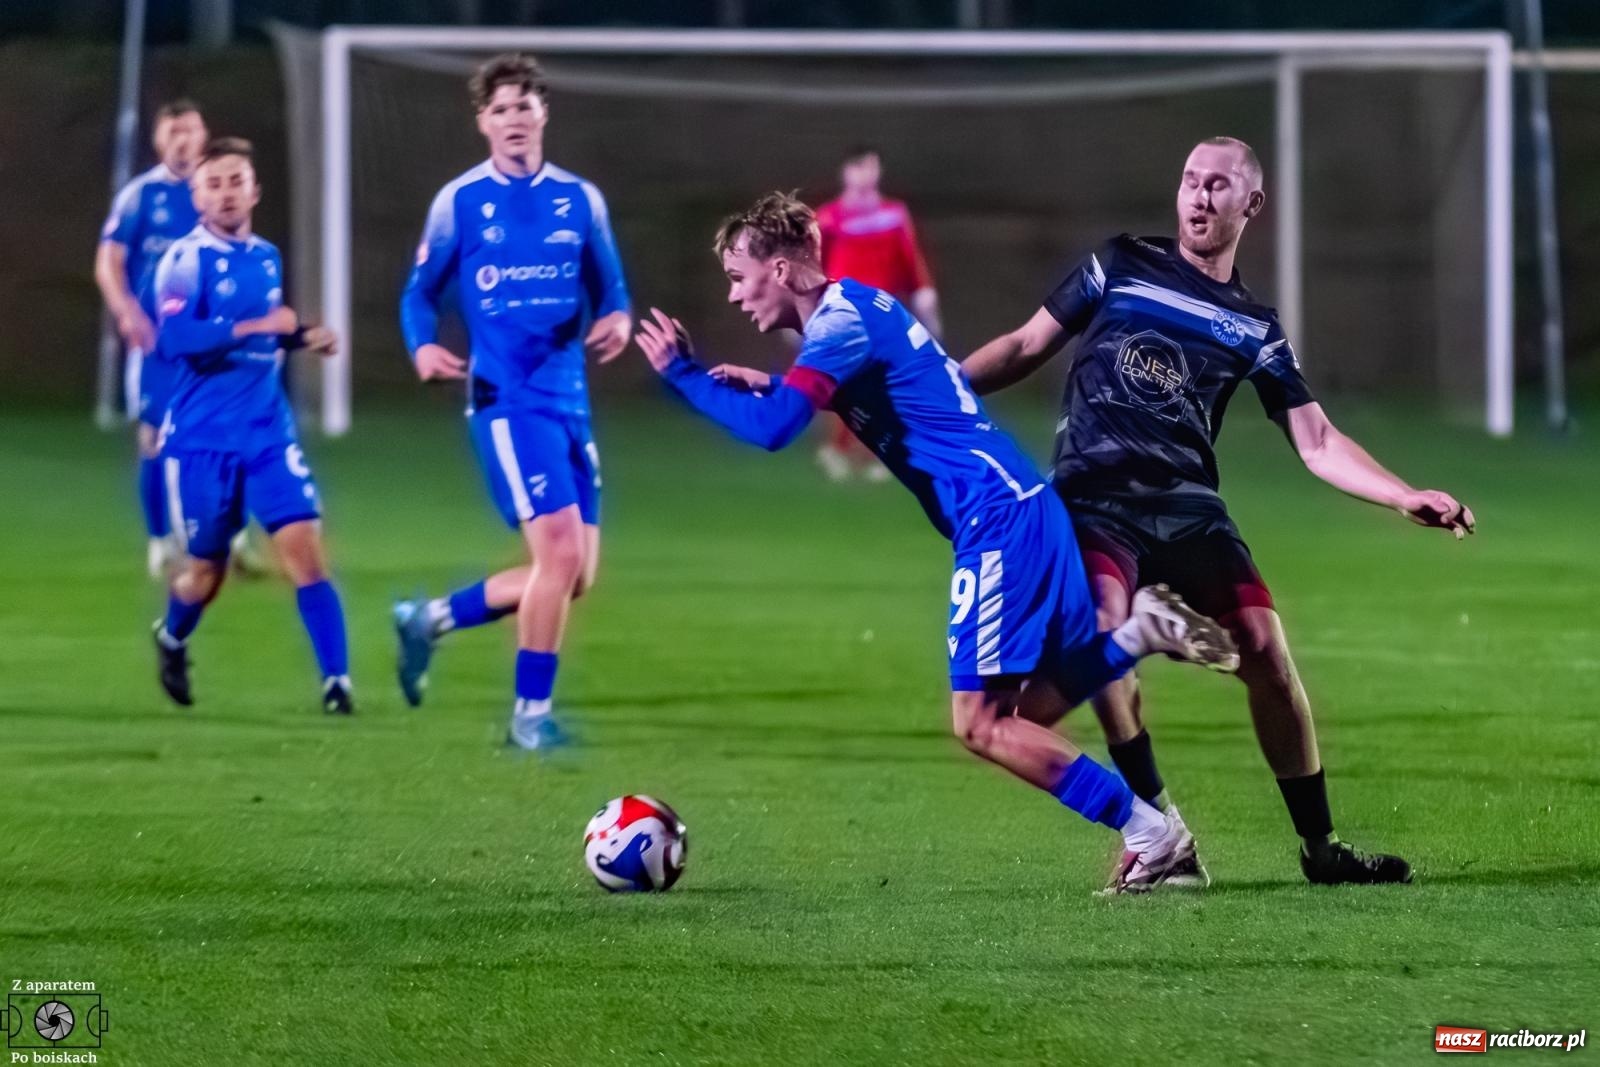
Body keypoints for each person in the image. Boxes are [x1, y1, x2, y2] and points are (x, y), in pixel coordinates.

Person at [634, 190, 1241, 894]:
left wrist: (680, 374)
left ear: (780, 266)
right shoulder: (863, 305)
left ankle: (1151, 833)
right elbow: (917, 390)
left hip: (995, 524)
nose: (734, 295)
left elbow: (773, 431)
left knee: (980, 724)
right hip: (1025, 504)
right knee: (1027, 713)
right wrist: (776, 382)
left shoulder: (836, 326)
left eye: (739, 276)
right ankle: (1138, 644)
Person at [962, 137, 1476, 886]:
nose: (1199, 197)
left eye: (1218, 186)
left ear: (1251, 205)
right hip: (1094, 497)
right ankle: (1158, 831)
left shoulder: (1253, 326)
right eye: (1190, 182)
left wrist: (1404, 494)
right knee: (1103, 631)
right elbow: (1023, 343)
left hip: (1189, 509)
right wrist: (934, 391)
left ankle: (1322, 851)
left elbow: (1318, 438)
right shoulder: (1120, 263)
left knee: (1265, 650)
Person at [393, 53, 631, 750]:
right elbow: (418, 292)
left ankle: (429, 619)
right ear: (483, 123)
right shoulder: (460, 201)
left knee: (574, 575)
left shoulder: (579, 200)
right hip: (505, 401)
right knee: (557, 557)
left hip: (569, 402)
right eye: (500, 109)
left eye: (525, 105)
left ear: (543, 113)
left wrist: (616, 317)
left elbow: (610, 287)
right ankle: (530, 717)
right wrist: (421, 346)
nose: (514, 119)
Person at [149, 138, 352, 714]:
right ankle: (172, 636)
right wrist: (256, 326)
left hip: (268, 434)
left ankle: (337, 683)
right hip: (202, 441)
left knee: (306, 554)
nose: (226, 192)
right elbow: (177, 340)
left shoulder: (265, 255)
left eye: (236, 180)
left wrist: (303, 335)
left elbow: (267, 330)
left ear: (254, 189)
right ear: (196, 195)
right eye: (213, 183)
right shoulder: (185, 260)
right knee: (205, 572)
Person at [95, 100, 206, 577]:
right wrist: (126, 311)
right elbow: (109, 262)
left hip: (211, 341)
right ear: (160, 141)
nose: (182, 140)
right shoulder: (140, 196)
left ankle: (220, 536)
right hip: (158, 342)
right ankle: (161, 541)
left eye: (190, 130)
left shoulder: (217, 189)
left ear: (203, 135)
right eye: (172, 132)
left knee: (217, 438)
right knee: (154, 440)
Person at [813, 147, 940, 481]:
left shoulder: (894, 214)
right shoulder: (828, 218)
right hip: (841, 309)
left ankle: (877, 449)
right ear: (845, 173)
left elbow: (910, 259)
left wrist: (924, 293)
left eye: (871, 167)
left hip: (884, 311)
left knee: (885, 381)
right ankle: (838, 447)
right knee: (842, 378)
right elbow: (813, 264)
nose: (866, 175)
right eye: (858, 168)